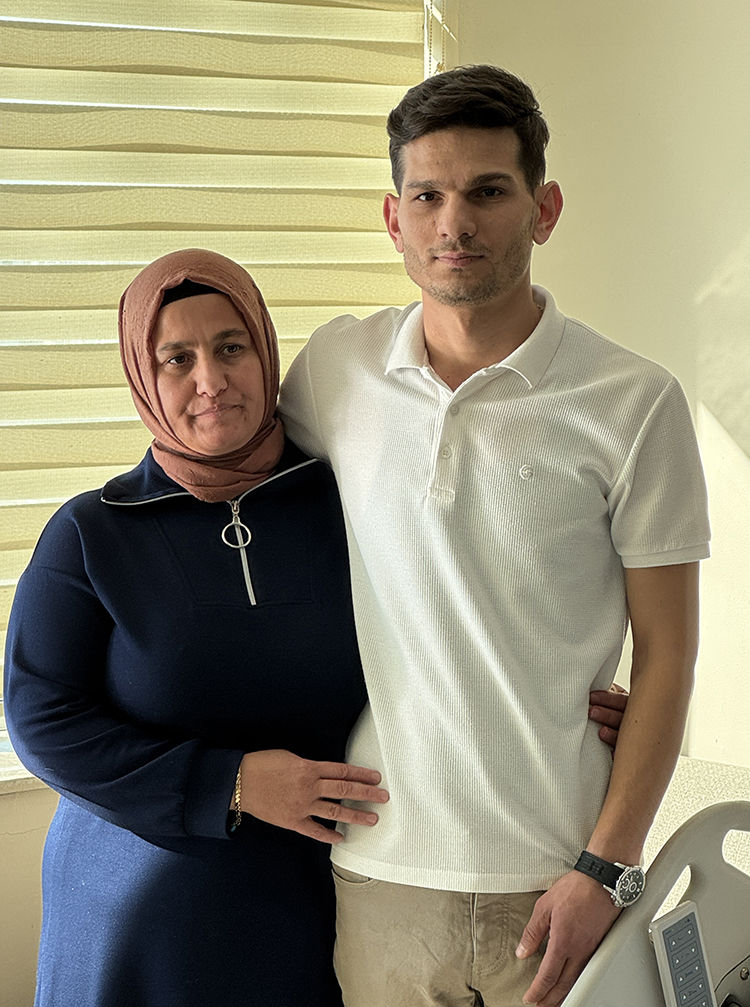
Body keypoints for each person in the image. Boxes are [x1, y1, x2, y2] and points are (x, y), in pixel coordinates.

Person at [278, 65, 711, 1007]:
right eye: (427, 196)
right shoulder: (335, 371)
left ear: (543, 209)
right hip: (381, 872)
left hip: (561, 874)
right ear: (393, 219)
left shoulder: (635, 402)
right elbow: (216, 471)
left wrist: (606, 867)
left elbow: (669, 652)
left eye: (487, 192)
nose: (454, 223)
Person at [3, 248, 390, 1007]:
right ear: (143, 377)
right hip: (134, 923)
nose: (210, 380)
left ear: (266, 352)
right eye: (176, 358)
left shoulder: (351, 508)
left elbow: (441, 626)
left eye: (231, 347)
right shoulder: (92, 531)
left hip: (311, 909)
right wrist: (232, 783)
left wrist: (566, 696)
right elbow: (42, 720)